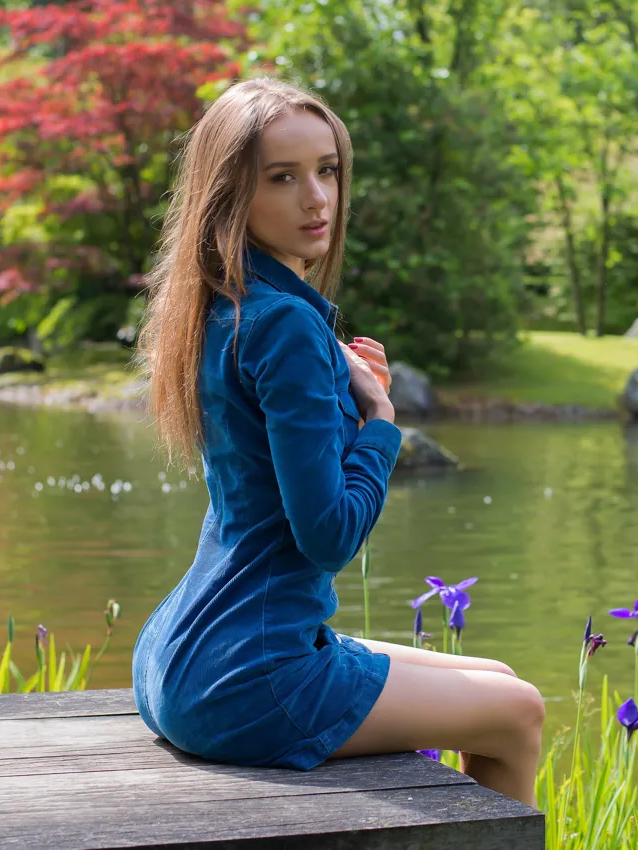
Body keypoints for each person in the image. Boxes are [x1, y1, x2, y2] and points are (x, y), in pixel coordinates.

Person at [130, 77, 544, 807]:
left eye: (327, 170)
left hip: (180, 657)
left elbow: (269, 484)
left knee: (501, 682)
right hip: (250, 678)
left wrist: (340, 407)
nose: (317, 198)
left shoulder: (221, 308)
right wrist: (380, 423)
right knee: (519, 715)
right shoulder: (285, 325)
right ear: (230, 196)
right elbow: (327, 537)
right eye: (282, 178)